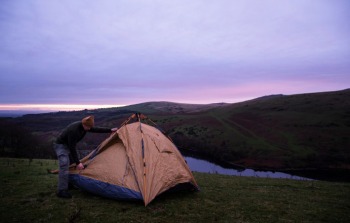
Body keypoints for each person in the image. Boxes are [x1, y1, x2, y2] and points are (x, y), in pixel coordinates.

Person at [53, 115, 118, 198]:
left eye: (90, 127)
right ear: (84, 124)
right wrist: (78, 162)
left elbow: (96, 129)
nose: (89, 129)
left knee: (71, 164)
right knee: (65, 164)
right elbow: (72, 147)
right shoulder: (74, 130)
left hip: (69, 145)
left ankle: (69, 184)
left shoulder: (86, 126)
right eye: (88, 127)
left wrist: (109, 130)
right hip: (61, 145)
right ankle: (61, 191)